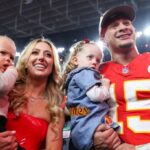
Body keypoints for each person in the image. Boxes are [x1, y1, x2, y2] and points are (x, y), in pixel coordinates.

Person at [92, 5, 150, 150]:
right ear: (103, 38)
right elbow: (74, 109)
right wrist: (91, 136)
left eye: (127, 23)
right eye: (114, 25)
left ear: (134, 31)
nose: (123, 27)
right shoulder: (95, 72)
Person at [5, 37, 65, 150]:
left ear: (53, 66)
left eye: (48, 55)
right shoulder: (7, 90)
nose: (41, 57)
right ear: (25, 62)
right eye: (35, 53)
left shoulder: (55, 109)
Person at [62, 40, 121, 150]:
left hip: (81, 122)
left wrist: (81, 111)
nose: (94, 62)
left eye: (98, 60)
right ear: (75, 60)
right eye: (90, 57)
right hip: (91, 123)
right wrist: (105, 86)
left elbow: (71, 110)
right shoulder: (85, 72)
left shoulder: (74, 76)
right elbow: (96, 95)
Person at [0, 35, 18, 132]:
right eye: (2, 53)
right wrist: (12, 71)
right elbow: (3, 85)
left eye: (11, 57)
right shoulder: (9, 74)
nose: (8, 59)